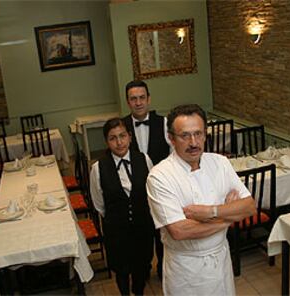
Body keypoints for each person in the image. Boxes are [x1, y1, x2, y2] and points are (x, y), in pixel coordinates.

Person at [146, 104, 256, 295]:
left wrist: (210, 212)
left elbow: (250, 207)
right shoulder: (160, 176)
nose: (193, 142)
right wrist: (230, 216)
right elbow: (179, 231)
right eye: (184, 136)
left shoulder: (219, 163)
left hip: (220, 260)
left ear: (206, 134)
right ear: (171, 138)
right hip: (186, 269)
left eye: (198, 134)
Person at [90, 118, 155, 296]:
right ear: (106, 141)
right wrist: (117, 215)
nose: (119, 142)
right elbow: (99, 204)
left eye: (122, 136)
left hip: (142, 226)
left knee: (141, 265)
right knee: (121, 269)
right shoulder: (98, 168)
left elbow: (151, 192)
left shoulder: (144, 159)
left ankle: (139, 292)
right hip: (117, 230)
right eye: (113, 138)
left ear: (130, 137)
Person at [122, 80, 170, 278]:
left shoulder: (164, 123)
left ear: (148, 99)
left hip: (161, 188)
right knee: (140, 234)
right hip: (134, 192)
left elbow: (173, 155)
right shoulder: (121, 127)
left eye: (142, 97)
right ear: (128, 102)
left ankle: (163, 270)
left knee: (163, 232)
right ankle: (142, 269)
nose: (138, 102)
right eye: (133, 99)